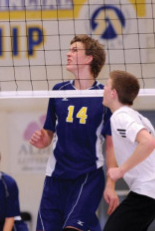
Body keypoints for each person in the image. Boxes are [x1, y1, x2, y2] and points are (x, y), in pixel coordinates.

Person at [29, 35, 119, 231]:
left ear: (89, 59)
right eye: (69, 50)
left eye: (75, 50)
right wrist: (42, 139)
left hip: (87, 176)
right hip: (55, 177)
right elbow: (49, 134)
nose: (68, 54)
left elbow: (111, 145)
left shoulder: (104, 97)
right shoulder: (58, 91)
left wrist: (111, 184)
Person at [102, 70, 155, 231]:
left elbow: (148, 143)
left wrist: (121, 171)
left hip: (147, 192)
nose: (104, 89)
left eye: (107, 85)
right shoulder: (142, 119)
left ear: (113, 93)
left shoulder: (120, 117)